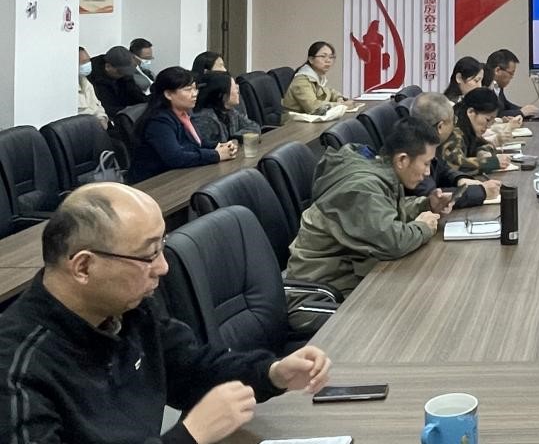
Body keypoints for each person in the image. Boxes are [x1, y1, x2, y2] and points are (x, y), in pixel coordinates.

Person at [0, 183, 330, 444]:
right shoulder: (16, 368)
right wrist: (190, 435)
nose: (163, 267)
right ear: (84, 266)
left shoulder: (129, 310)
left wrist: (272, 373)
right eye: (148, 255)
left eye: (162, 247)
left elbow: (194, 369)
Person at [285, 115, 452, 324]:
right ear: (402, 160)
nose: (428, 172)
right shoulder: (362, 187)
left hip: (349, 284)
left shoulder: (379, 171)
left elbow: (385, 213)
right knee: (412, 316)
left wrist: (427, 205)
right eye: (425, 164)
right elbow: (392, 241)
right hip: (319, 300)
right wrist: (423, 227)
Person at [128, 67, 238, 183]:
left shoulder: (183, 114)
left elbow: (195, 143)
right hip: (153, 183)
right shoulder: (158, 121)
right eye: (188, 90)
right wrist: (216, 155)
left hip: (177, 176)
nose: (195, 94)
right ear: (168, 94)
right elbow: (175, 157)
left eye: (195, 89)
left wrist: (219, 146)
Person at [410, 92, 501, 207]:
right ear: (440, 127)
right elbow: (432, 198)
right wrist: (481, 192)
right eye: (453, 120)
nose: (455, 125)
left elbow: (442, 168)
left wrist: (459, 179)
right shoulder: (414, 153)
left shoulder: (425, 142)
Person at [446, 87, 510, 177]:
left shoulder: (468, 129)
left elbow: (485, 144)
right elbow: (455, 165)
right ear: (471, 112)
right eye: (488, 120)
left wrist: (482, 152)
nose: (488, 126)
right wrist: (491, 162)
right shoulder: (454, 131)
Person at [191, 71, 262, 145]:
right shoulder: (205, 120)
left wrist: (235, 138)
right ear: (222, 95)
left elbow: (255, 127)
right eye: (233, 87)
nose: (238, 89)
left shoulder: (230, 112)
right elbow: (211, 148)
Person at [282, 41, 348, 116]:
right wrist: (340, 105)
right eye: (323, 56)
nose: (328, 60)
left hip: (312, 119)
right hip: (296, 121)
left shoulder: (318, 77)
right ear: (311, 60)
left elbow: (330, 92)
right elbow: (314, 107)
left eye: (331, 57)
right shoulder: (301, 80)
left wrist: (339, 98)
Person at [88, 44, 150, 118]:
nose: (123, 75)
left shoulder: (124, 74)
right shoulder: (93, 79)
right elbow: (105, 108)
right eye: (121, 72)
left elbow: (135, 94)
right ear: (108, 67)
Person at [485, 48, 539, 118]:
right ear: (497, 70)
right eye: (511, 73)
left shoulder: (497, 85)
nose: (512, 77)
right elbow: (494, 114)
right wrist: (521, 112)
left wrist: (525, 110)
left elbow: (506, 105)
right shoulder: (485, 88)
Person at [77, 45, 108, 128]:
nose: (88, 64)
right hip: (83, 128)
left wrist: (102, 118)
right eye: (84, 62)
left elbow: (97, 105)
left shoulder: (85, 81)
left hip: (97, 126)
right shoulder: (66, 87)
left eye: (88, 60)